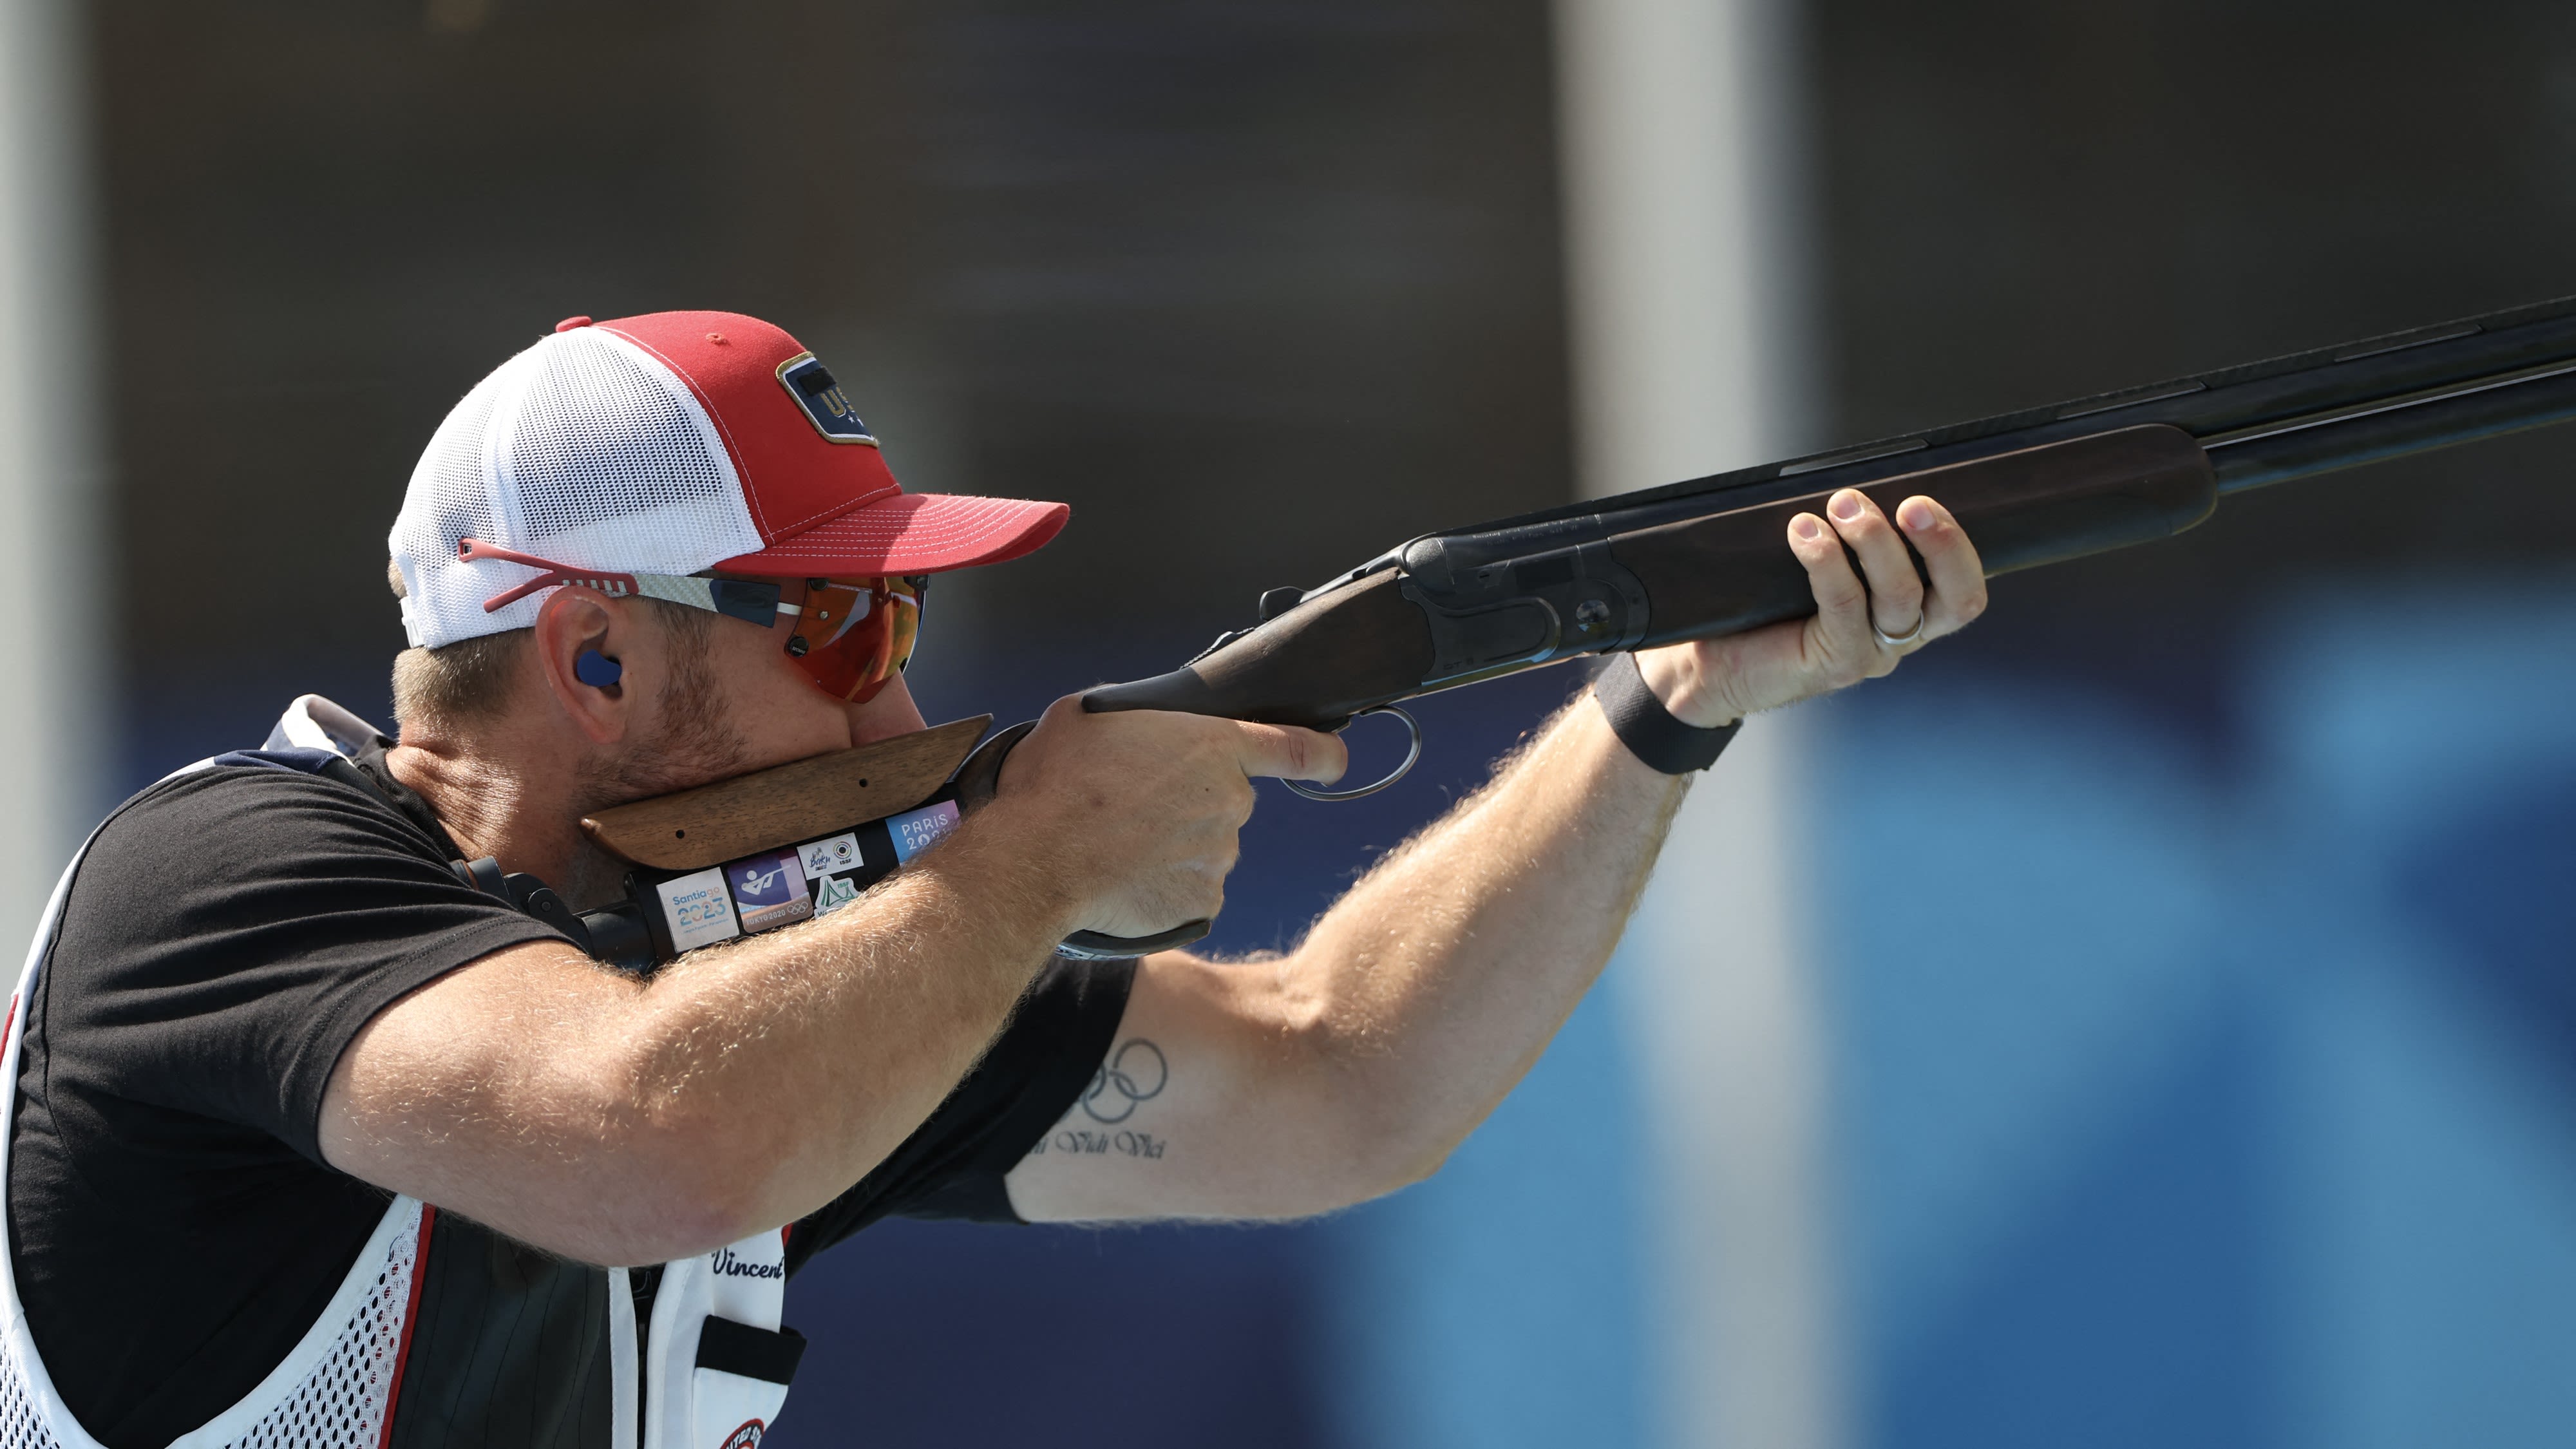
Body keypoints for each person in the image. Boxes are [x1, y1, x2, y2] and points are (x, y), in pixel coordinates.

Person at [0, 310, 1986, 1449]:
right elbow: (655, 1142)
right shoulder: (227, 878)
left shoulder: (735, 988)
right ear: (596, 658)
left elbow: (1341, 1068)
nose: (912, 690)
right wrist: (1030, 859)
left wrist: (1659, 705)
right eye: (850, 629)